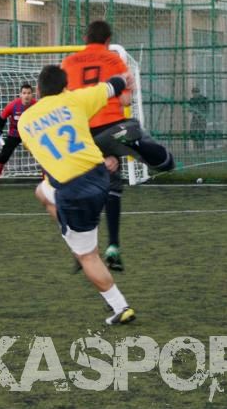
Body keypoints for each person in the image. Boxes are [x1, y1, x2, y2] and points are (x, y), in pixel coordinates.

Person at [19, 64, 136, 325]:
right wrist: (124, 79)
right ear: (65, 87)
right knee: (42, 192)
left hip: (73, 189)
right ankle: (73, 240)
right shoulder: (75, 99)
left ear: (37, 91)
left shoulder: (25, 120)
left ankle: (120, 307)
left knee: (88, 256)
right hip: (98, 176)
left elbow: (42, 152)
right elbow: (112, 86)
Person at [61, 20, 175, 271]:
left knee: (91, 188)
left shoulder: (68, 62)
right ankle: (113, 245)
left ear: (85, 38)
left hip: (80, 136)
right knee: (166, 162)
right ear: (108, 40)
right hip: (112, 126)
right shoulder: (113, 60)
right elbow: (125, 96)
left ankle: (85, 252)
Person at [0, 84, 37, 192]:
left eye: (28, 93)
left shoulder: (37, 105)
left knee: (43, 155)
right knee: (3, 156)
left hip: (31, 134)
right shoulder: (13, 105)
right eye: (24, 93)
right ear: (20, 94)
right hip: (15, 134)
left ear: (32, 95)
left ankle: (47, 181)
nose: (26, 96)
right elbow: (1, 119)